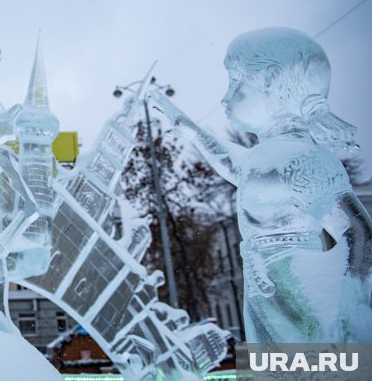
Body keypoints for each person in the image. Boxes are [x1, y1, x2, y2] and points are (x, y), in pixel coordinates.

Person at [151, 27, 372, 343]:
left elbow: (360, 234)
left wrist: (349, 307)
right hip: (266, 291)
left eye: (235, 84)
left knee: (305, 370)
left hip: (302, 292)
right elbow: (230, 161)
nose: (225, 97)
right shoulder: (263, 158)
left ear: (270, 82)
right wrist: (182, 123)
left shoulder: (305, 159)